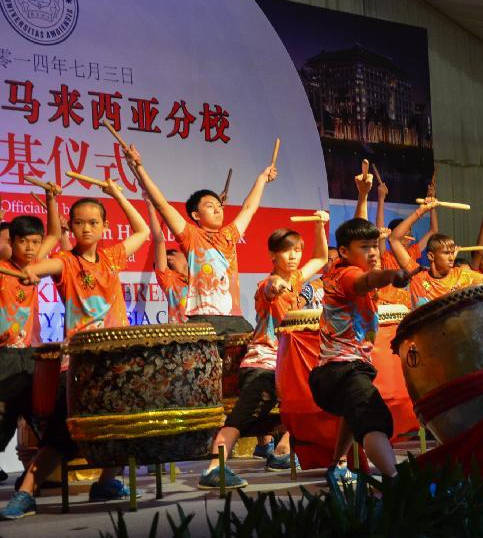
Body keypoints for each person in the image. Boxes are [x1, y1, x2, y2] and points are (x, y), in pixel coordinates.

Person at [0, 181, 149, 519]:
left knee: (120, 423)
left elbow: (141, 231)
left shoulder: (112, 257)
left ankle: (107, 482)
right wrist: (31, 275)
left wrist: (118, 194)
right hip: (81, 361)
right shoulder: (66, 263)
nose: (86, 228)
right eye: (79, 222)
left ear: (104, 227)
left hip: (116, 360)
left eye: (94, 222)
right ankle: (26, 493)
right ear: (70, 225)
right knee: (60, 433)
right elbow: (38, 269)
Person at [200, 215, 330, 489]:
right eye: (287, 250)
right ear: (272, 254)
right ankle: (214, 468)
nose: (294, 256)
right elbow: (270, 289)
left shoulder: (295, 279)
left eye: (297, 250)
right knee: (241, 418)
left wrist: (319, 226)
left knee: (314, 397)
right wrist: (275, 286)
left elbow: (320, 258)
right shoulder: (266, 285)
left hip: (286, 365)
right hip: (263, 364)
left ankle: (282, 451)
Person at [124, 144, 276, 338]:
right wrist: (139, 167)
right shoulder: (191, 236)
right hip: (204, 320)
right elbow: (162, 205)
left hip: (234, 319)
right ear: (196, 214)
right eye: (210, 206)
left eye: (219, 206)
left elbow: (248, 208)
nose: (217, 209)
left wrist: (262, 178)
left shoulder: (229, 235)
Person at [309, 217, 412, 481]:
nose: (374, 252)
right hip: (343, 370)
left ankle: (337, 465)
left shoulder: (339, 269)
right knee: (371, 417)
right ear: (344, 251)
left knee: (352, 411)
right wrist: (391, 275)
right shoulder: (348, 275)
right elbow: (367, 280)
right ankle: (396, 483)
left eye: (375, 246)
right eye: (365, 247)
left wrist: (364, 196)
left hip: (333, 373)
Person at [0, 183, 61, 486]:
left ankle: (38, 472)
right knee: (6, 416)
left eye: (34, 242)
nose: (30, 247)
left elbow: (54, 234)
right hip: (3, 355)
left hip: (28, 354)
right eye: (23, 242)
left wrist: (51, 200)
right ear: (11, 242)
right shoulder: (2, 267)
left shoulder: (35, 266)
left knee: (37, 416)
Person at [388, 198, 483, 308]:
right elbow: (393, 239)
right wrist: (421, 211)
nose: (451, 258)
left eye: (452, 253)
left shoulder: (461, 275)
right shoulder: (417, 276)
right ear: (431, 256)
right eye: (446, 253)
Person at [144, 195, 189, 323]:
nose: (186, 255)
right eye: (181, 253)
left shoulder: (199, 276)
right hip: (181, 339)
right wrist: (151, 208)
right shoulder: (170, 280)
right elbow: (159, 240)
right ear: (170, 258)